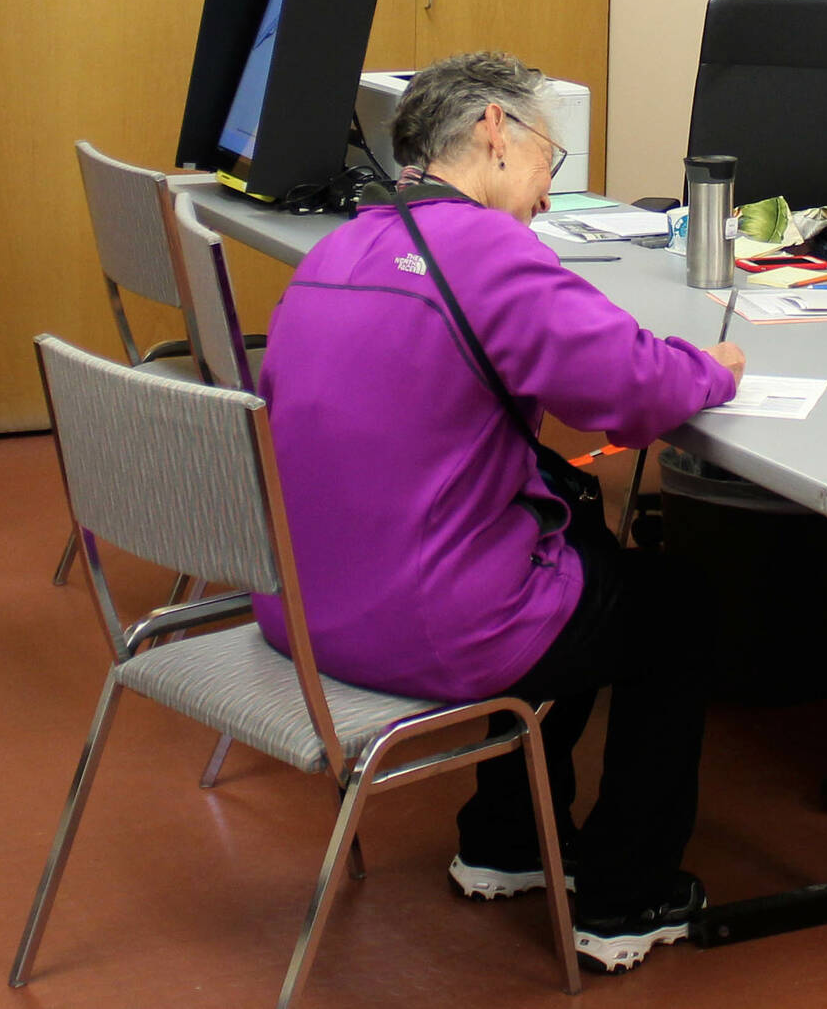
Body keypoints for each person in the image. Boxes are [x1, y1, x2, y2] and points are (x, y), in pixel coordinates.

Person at [251, 51, 745, 972]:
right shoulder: (484, 249)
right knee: (673, 603)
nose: (550, 200)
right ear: (493, 132)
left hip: (305, 612)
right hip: (430, 626)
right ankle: (626, 896)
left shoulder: (337, 247)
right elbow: (631, 393)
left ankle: (508, 838)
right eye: (551, 165)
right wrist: (710, 369)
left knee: (587, 548)